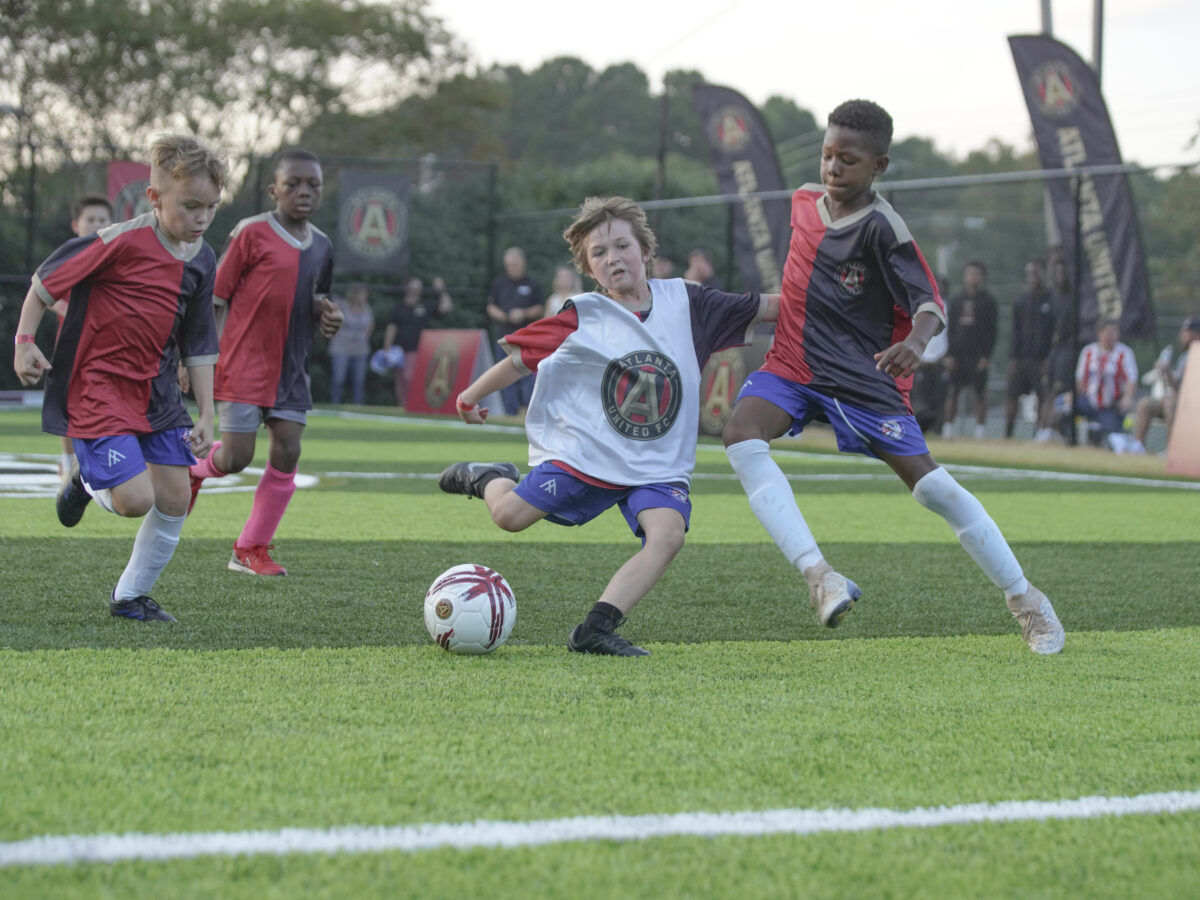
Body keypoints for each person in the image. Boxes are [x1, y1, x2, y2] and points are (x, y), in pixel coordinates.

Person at [721, 99, 1064, 655]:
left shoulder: (885, 229)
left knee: (932, 489)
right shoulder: (802, 201)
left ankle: (1026, 599)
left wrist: (915, 343)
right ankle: (821, 577)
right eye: (827, 155)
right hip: (793, 364)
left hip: (861, 379)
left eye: (848, 159)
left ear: (879, 166)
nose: (833, 167)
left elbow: (929, 302)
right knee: (740, 433)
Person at [438, 196, 778, 656]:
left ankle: (594, 630)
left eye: (622, 246)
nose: (613, 258)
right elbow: (520, 361)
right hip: (589, 454)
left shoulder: (690, 301)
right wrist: (470, 396)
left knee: (668, 536)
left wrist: (843, 307)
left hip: (658, 464)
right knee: (509, 518)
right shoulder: (584, 314)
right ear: (589, 270)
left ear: (645, 250)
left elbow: (770, 307)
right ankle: (489, 478)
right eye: (599, 253)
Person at [12, 133, 228, 622]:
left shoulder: (203, 259)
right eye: (191, 206)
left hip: (159, 391)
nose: (202, 218)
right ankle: (85, 481)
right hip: (99, 386)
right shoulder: (119, 240)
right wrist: (25, 341)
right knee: (134, 500)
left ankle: (130, 597)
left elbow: (200, 342)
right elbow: (44, 283)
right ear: (155, 198)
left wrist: (207, 413)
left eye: (211, 207)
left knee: (176, 497)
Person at [187, 147, 342, 576]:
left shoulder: (323, 245)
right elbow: (214, 298)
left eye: (313, 185)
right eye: (293, 184)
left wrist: (327, 313)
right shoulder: (251, 232)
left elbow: (315, 296)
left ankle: (250, 548)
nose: (304, 191)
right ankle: (193, 470)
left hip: (291, 368)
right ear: (274, 190)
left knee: (288, 450)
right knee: (237, 457)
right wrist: (196, 357)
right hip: (243, 364)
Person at [49, 194, 115, 483]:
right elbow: (42, 290)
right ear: (76, 225)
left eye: (102, 219)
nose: (97, 224)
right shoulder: (68, 255)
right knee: (67, 406)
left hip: (107, 348)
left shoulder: (117, 256)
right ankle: (67, 464)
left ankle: (106, 459)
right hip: (71, 347)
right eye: (90, 219)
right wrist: (66, 309)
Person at [940, 261, 997, 439]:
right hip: (958, 354)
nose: (972, 277)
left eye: (976, 274)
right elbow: (950, 329)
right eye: (969, 274)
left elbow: (993, 331)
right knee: (953, 391)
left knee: (979, 392)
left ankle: (980, 431)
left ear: (982, 277)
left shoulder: (988, 301)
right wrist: (949, 354)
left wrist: (986, 356)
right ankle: (948, 429)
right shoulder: (957, 300)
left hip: (978, 354)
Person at [486, 247, 542, 415]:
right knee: (505, 375)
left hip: (526, 338)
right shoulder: (499, 283)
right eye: (509, 265)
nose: (512, 268)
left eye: (515, 265)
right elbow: (490, 306)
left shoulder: (532, 284)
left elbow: (539, 308)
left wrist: (523, 314)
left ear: (523, 263)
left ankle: (529, 410)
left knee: (527, 374)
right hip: (504, 337)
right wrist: (504, 316)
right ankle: (510, 411)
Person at [1005, 258, 1057, 439]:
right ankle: (1008, 434)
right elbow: (1015, 330)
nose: (1033, 277)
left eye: (1036, 273)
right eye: (1030, 274)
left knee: (1043, 396)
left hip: (1042, 359)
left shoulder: (1052, 300)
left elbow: (1055, 332)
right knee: (1012, 395)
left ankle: (1039, 434)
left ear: (1044, 274)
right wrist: (1013, 357)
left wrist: (1049, 359)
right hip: (1022, 358)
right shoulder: (1021, 300)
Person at [382, 275, 454, 406]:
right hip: (399, 351)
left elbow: (446, 307)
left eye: (419, 286)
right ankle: (402, 404)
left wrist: (441, 291)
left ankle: (412, 403)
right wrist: (387, 348)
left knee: (410, 377)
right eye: (414, 285)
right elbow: (392, 327)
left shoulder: (425, 306)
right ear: (407, 287)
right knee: (400, 379)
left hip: (418, 350)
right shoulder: (399, 307)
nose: (417, 288)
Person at [1132, 315, 1200, 451]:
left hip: (1192, 405)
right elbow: (1176, 386)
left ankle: (1173, 449)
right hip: (1180, 402)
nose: (1181, 335)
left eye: (1185, 332)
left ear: (1196, 334)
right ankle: (1137, 448)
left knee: (1170, 402)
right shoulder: (1184, 357)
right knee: (1145, 405)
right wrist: (1167, 371)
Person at [1075, 319, 1137, 448]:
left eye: (1115, 332)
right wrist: (1074, 394)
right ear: (1100, 333)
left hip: (1110, 405)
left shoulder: (1124, 353)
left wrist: (1127, 398)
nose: (1112, 336)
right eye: (1109, 332)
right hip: (1088, 401)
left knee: (1112, 434)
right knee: (1063, 407)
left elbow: (1131, 379)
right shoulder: (1088, 352)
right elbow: (1080, 378)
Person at [327, 283, 374, 406]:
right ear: (355, 294)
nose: (365, 297)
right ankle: (335, 404)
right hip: (340, 348)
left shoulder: (367, 308)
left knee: (359, 380)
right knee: (338, 378)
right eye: (362, 294)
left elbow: (370, 324)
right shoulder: (342, 306)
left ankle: (357, 405)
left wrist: (364, 336)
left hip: (360, 349)